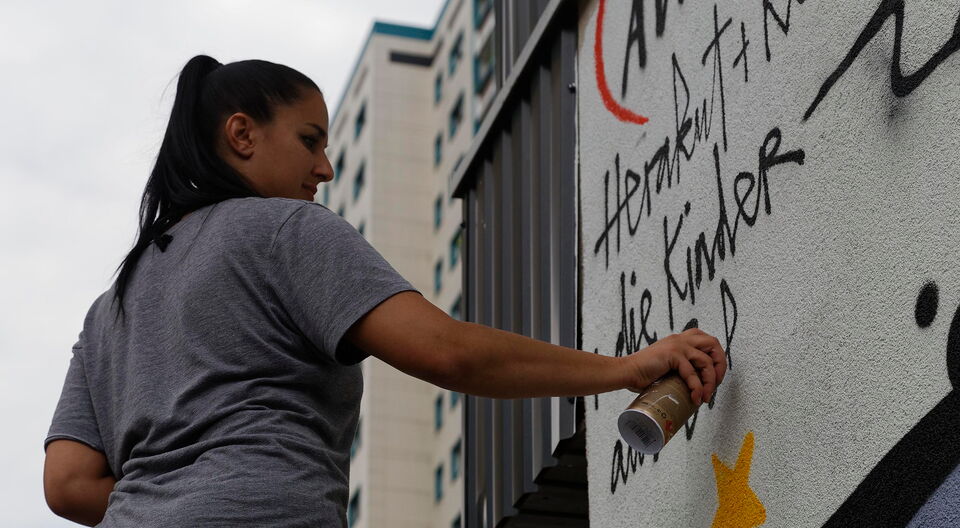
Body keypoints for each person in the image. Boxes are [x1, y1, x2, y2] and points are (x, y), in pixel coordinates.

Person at [42, 55, 727, 527]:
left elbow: (67, 485)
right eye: (310, 140)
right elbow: (446, 351)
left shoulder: (112, 308)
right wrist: (624, 369)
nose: (326, 166)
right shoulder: (283, 230)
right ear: (242, 134)